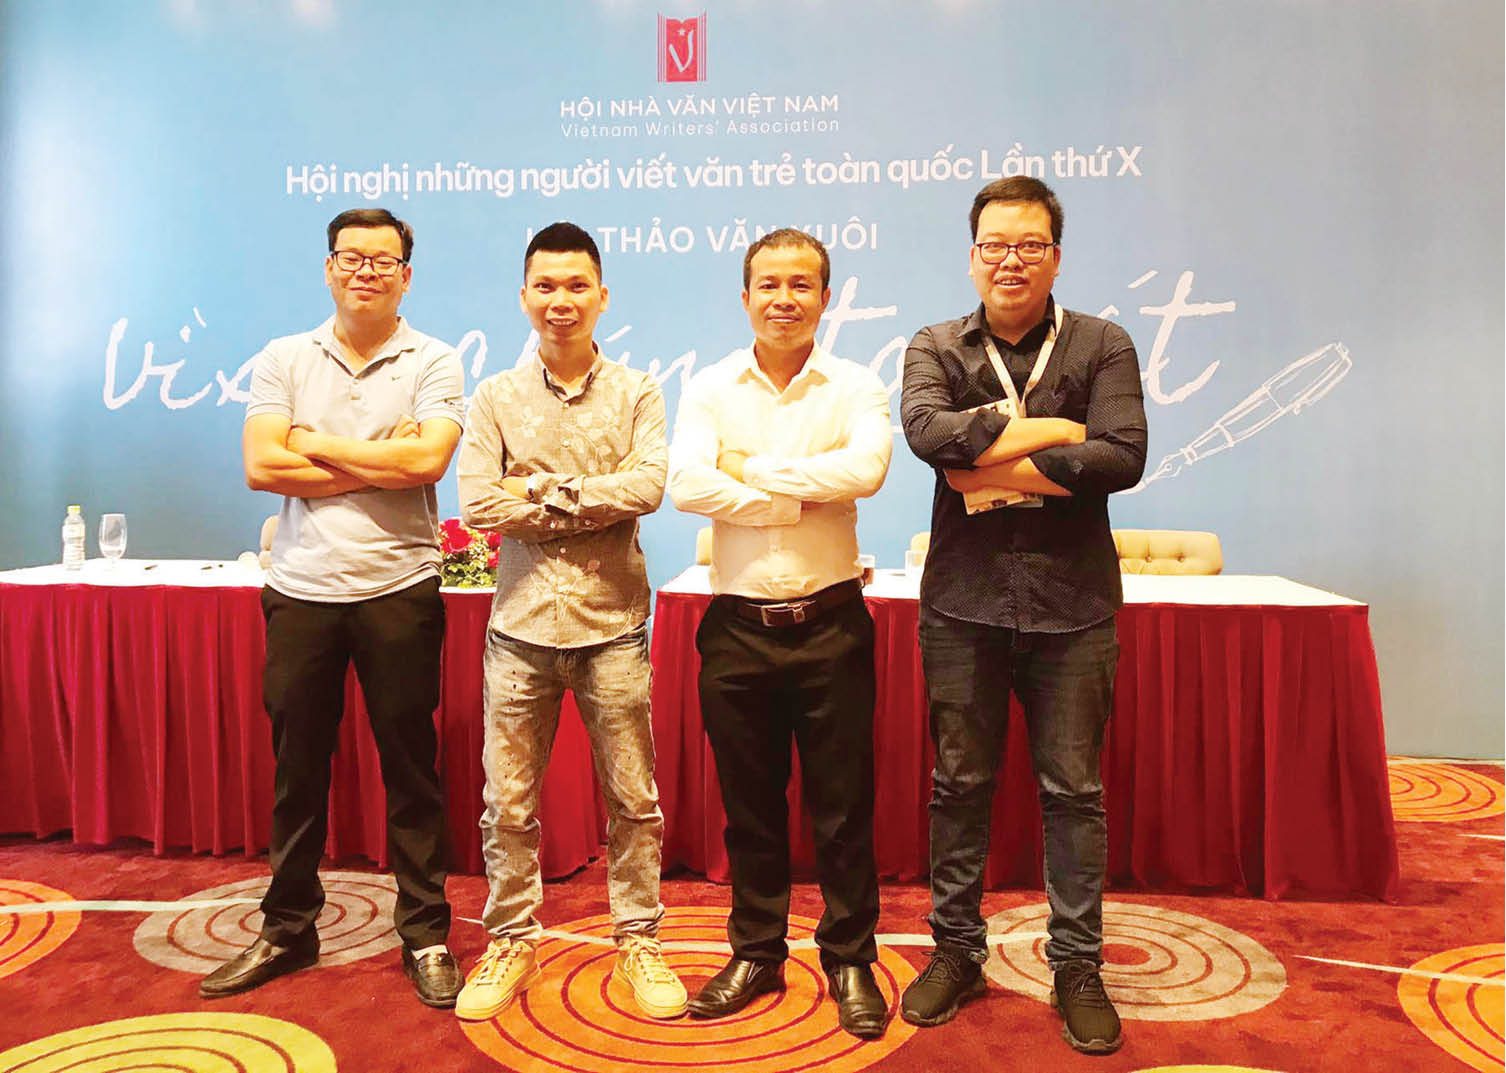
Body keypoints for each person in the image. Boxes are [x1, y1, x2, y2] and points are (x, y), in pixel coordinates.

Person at [898, 177, 1147, 1054]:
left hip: (1072, 608)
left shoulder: (1102, 342)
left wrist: (986, 461)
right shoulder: (934, 344)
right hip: (962, 605)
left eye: (1030, 244)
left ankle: (1076, 964)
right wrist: (1057, 429)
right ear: (973, 255)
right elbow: (929, 438)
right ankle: (956, 951)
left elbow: (1122, 456)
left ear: (1056, 256)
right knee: (958, 786)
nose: (1012, 259)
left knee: (1073, 793)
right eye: (996, 244)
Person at [203, 208, 466, 1007]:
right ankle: (289, 927)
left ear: (405, 277)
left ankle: (424, 932)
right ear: (328, 269)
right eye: (351, 258)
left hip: (400, 587)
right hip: (303, 591)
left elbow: (428, 460)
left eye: (382, 261)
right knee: (297, 770)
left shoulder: (434, 358)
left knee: (411, 770)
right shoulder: (285, 356)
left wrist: (315, 443)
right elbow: (261, 466)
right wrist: (382, 461)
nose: (365, 272)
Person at [453, 222, 685, 1022]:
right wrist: (588, 497)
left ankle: (639, 939)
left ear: (602, 296)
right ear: (524, 296)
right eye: (546, 286)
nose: (561, 301)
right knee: (508, 805)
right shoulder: (495, 396)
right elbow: (478, 504)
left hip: (613, 625)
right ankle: (510, 939)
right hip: (519, 631)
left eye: (576, 285)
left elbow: (647, 487)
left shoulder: (637, 391)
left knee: (634, 800)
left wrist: (538, 489)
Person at [668, 229, 893, 1040]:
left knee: (843, 807)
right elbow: (687, 483)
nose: (784, 298)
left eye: (801, 285)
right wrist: (797, 495)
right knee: (750, 807)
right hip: (737, 630)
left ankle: (850, 956)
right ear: (745, 296)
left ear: (826, 298)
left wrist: (749, 471)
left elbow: (865, 471)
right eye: (769, 284)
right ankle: (756, 951)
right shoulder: (709, 387)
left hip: (832, 624)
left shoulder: (856, 385)